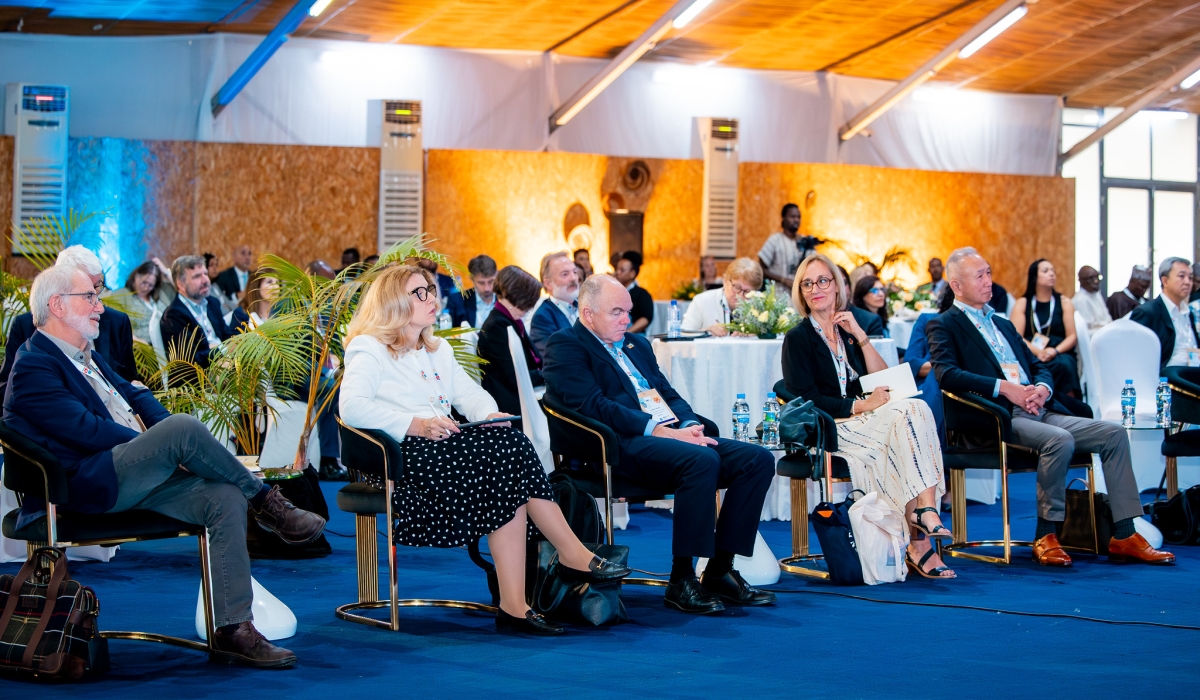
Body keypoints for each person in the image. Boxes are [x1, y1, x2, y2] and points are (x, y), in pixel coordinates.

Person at [4, 264, 327, 667]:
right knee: (182, 430)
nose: (100, 307)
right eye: (90, 297)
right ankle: (268, 502)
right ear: (56, 305)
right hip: (83, 486)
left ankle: (232, 629)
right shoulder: (35, 364)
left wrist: (167, 446)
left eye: (97, 296)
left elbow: (138, 399)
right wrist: (161, 446)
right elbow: (84, 431)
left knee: (223, 494)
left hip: (131, 473)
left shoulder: (87, 356)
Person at [339, 264, 630, 635]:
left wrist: (488, 413)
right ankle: (564, 560)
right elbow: (353, 408)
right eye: (420, 292)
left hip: (443, 447)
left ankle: (516, 604)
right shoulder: (370, 347)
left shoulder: (437, 348)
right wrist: (419, 424)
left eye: (432, 289)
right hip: (400, 456)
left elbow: (469, 394)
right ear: (393, 301)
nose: (433, 297)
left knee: (508, 446)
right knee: (509, 452)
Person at [543, 275, 777, 614]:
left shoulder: (637, 344)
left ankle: (720, 570)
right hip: (617, 447)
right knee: (701, 461)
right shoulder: (566, 344)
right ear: (588, 312)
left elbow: (667, 394)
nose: (626, 319)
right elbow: (595, 406)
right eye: (617, 312)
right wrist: (663, 431)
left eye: (628, 311)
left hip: (668, 439)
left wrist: (688, 424)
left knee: (755, 459)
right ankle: (681, 579)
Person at [928, 247, 1174, 566]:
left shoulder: (1001, 324)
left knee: (1113, 434)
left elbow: (1037, 364)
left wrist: (1041, 388)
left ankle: (1125, 535)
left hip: (1039, 409)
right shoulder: (944, 324)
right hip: (995, 417)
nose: (989, 281)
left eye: (989, 272)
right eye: (980, 275)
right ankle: (1046, 534)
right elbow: (946, 375)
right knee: (1060, 440)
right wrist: (1007, 389)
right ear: (957, 286)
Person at [782, 254, 953, 580]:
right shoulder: (797, 339)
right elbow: (808, 400)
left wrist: (860, 335)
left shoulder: (847, 331)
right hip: (833, 426)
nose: (815, 288)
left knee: (916, 408)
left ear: (837, 286)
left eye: (822, 281)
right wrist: (862, 406)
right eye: (807, 283)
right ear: (801, 292)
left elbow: (881, 380)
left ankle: (924, 512)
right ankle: (920, 530)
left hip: (870, 418)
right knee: (908, 416)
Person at [0, 246, 137, 393]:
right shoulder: (26, 326)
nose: (96, 299)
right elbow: (8, 388)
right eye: (87, 292)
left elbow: (128, 383)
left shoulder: (117, 323)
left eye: (97, 287)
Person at [476, 266, 544, 429]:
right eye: (529, 302)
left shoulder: (508, 320)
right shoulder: (497, 327)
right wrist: (548, 374)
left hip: (525, 395)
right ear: (519, 297)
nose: (530, 308)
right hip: (513, 405)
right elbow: (516, 378)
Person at [1011, 259, 1081, 397]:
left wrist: (1054, 351)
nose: (1051, 274)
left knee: (1065, 365)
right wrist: (1038, 352)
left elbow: (1072, 337)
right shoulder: (1023, 303)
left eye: (1053, 271)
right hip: (1032, 351)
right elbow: (1016, 336)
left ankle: (1070, 410)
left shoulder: (1064, 302)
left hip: (1059, 351)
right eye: (1046, 271)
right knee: (1028, 366)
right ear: (1034, 277)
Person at [160, 255, 233, 370]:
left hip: (225, 358)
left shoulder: (212, 303)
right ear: (181, 284)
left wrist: (239, 343)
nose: (205, 280)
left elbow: (225, 333)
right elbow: (189, 360)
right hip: (201, 373)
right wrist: (222, 349)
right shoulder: (173, 315)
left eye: (205, 274)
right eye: (197, 276)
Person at [1130, 257, 1200, 376]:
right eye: (1181, 276)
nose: (1188, 282)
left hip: (1191, 376)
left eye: (1190, 277)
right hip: (1166, 382)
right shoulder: (1148, 312)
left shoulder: (1188, 313)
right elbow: (1135, 358)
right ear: (1165, 281)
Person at [681, 258, 761, 336]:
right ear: (725, 281)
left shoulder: (761, 303)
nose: (740, 296)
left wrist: (757, 334)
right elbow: (682, 335)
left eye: (747, 292)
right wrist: (706, 332)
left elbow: (771, 335)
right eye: (736, 287)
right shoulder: (702, 301)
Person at [529, 251, 580, 358]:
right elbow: (555, 358)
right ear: (548, 283)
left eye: (575, 272)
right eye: (565, 274)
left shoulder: (586, 306)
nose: (573, 278)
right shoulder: (542, 318)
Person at [123, 259, 176, 343]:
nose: (146, 288)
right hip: (142, 350)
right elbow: (117, 326)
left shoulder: (161, 293)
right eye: (144, 283)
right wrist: (137, 341)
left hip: (168, 345)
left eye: (150, 285)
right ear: (136, 276)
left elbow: (183, 290)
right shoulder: (123, 296)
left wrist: (166, 272)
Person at [758, 203, 803, 291]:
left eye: (798, 217)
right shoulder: (774, 240)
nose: (796, 220)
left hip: (799, 296)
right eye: (792, 217)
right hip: (777, 295)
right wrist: (783, 280)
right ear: (784, 218)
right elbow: (761, 269)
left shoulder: (805, 241)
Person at [408, 257, 465, 326]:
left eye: (433, 257)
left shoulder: (449, 280)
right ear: (418, 260)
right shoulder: (414, 283)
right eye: (426, 258)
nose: (432, 260)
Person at [836, 264, 884, 337]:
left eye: (844, 283)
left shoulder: (869, 320)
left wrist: (860, 335)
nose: (881, 294)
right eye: (874, 290)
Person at [615, 251, 653, 334]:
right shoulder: (611, 292)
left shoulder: (642, 294)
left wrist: (627, 332)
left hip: (634, 336)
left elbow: (645, 319)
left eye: (622, 270)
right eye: (617, 269)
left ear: (632, 273)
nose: (617, 272)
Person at [458, 254, 497, 328]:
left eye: (491, 281)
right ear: (472, 279)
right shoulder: (458, 300)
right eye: (481, 283)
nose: (487, 288)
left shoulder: (507, 299)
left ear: (496, 275)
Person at [1073, 265, 1112, 332]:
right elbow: (1087, 328)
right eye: (1091, 278)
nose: (1096, 281)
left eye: (1097, 277)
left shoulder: (1096, 294)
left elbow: (1108, 318)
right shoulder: (1079, 300)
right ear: (1081, 280)